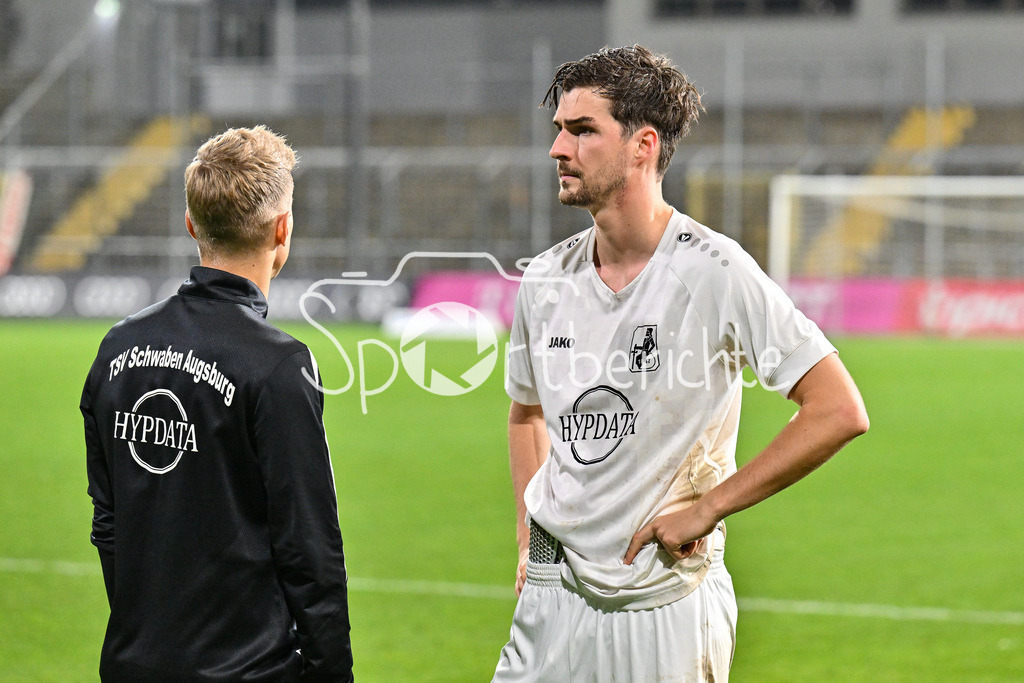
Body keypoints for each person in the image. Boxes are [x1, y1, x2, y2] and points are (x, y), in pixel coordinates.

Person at [494, 46, 868, 681]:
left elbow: (838, 409)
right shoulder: (545, 279)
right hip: (551, 599)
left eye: (583, 131)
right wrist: (532, 539)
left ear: (643, 146)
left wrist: (709, 507)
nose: (558, 149)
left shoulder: (714, 270)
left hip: (663, 601)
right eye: (559, 129)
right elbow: (525, 414)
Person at [81, 126, 354, 682]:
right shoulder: (280, 366)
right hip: (250, 670)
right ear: (283, 229)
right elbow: (310, 551)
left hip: (133, 665)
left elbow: (108, 523)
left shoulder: (118, 348)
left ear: (191, 223)